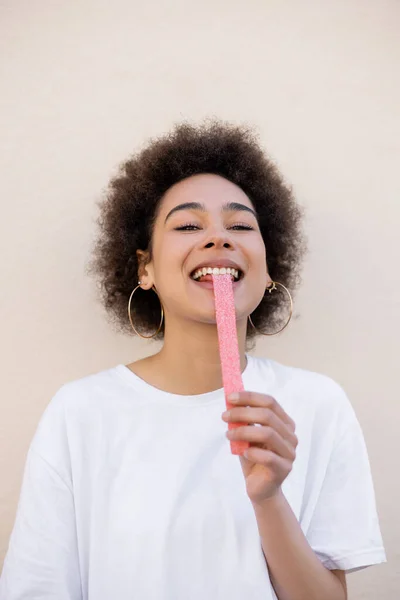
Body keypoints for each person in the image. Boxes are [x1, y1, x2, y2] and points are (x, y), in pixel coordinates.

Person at [0, 121, 386, 600]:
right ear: (145, 268)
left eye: (240, 226)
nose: (218, 239)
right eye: (188, 225)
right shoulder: (80, 412)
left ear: (268, 269)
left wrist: (268, 499)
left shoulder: (318, 404)